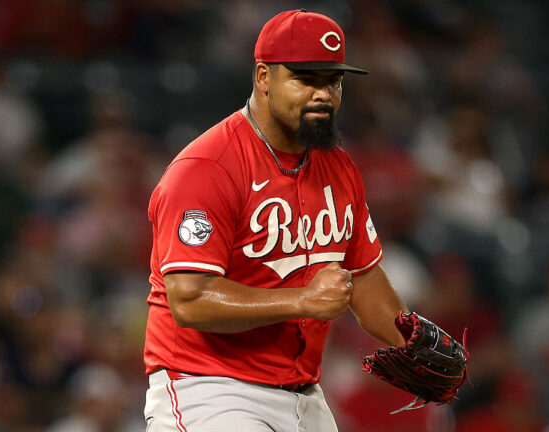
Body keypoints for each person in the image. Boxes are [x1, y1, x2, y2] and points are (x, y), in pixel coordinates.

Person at [142, 9, 408, 432]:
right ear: (263, 77)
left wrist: (411, 342)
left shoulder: (337, 167)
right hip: (210, 389)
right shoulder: (207, 167)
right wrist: (302, 300)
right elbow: (189, 299)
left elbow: (364, 276)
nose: (323, 94)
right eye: (306, 79)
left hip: (304, 396)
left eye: (332, 82)